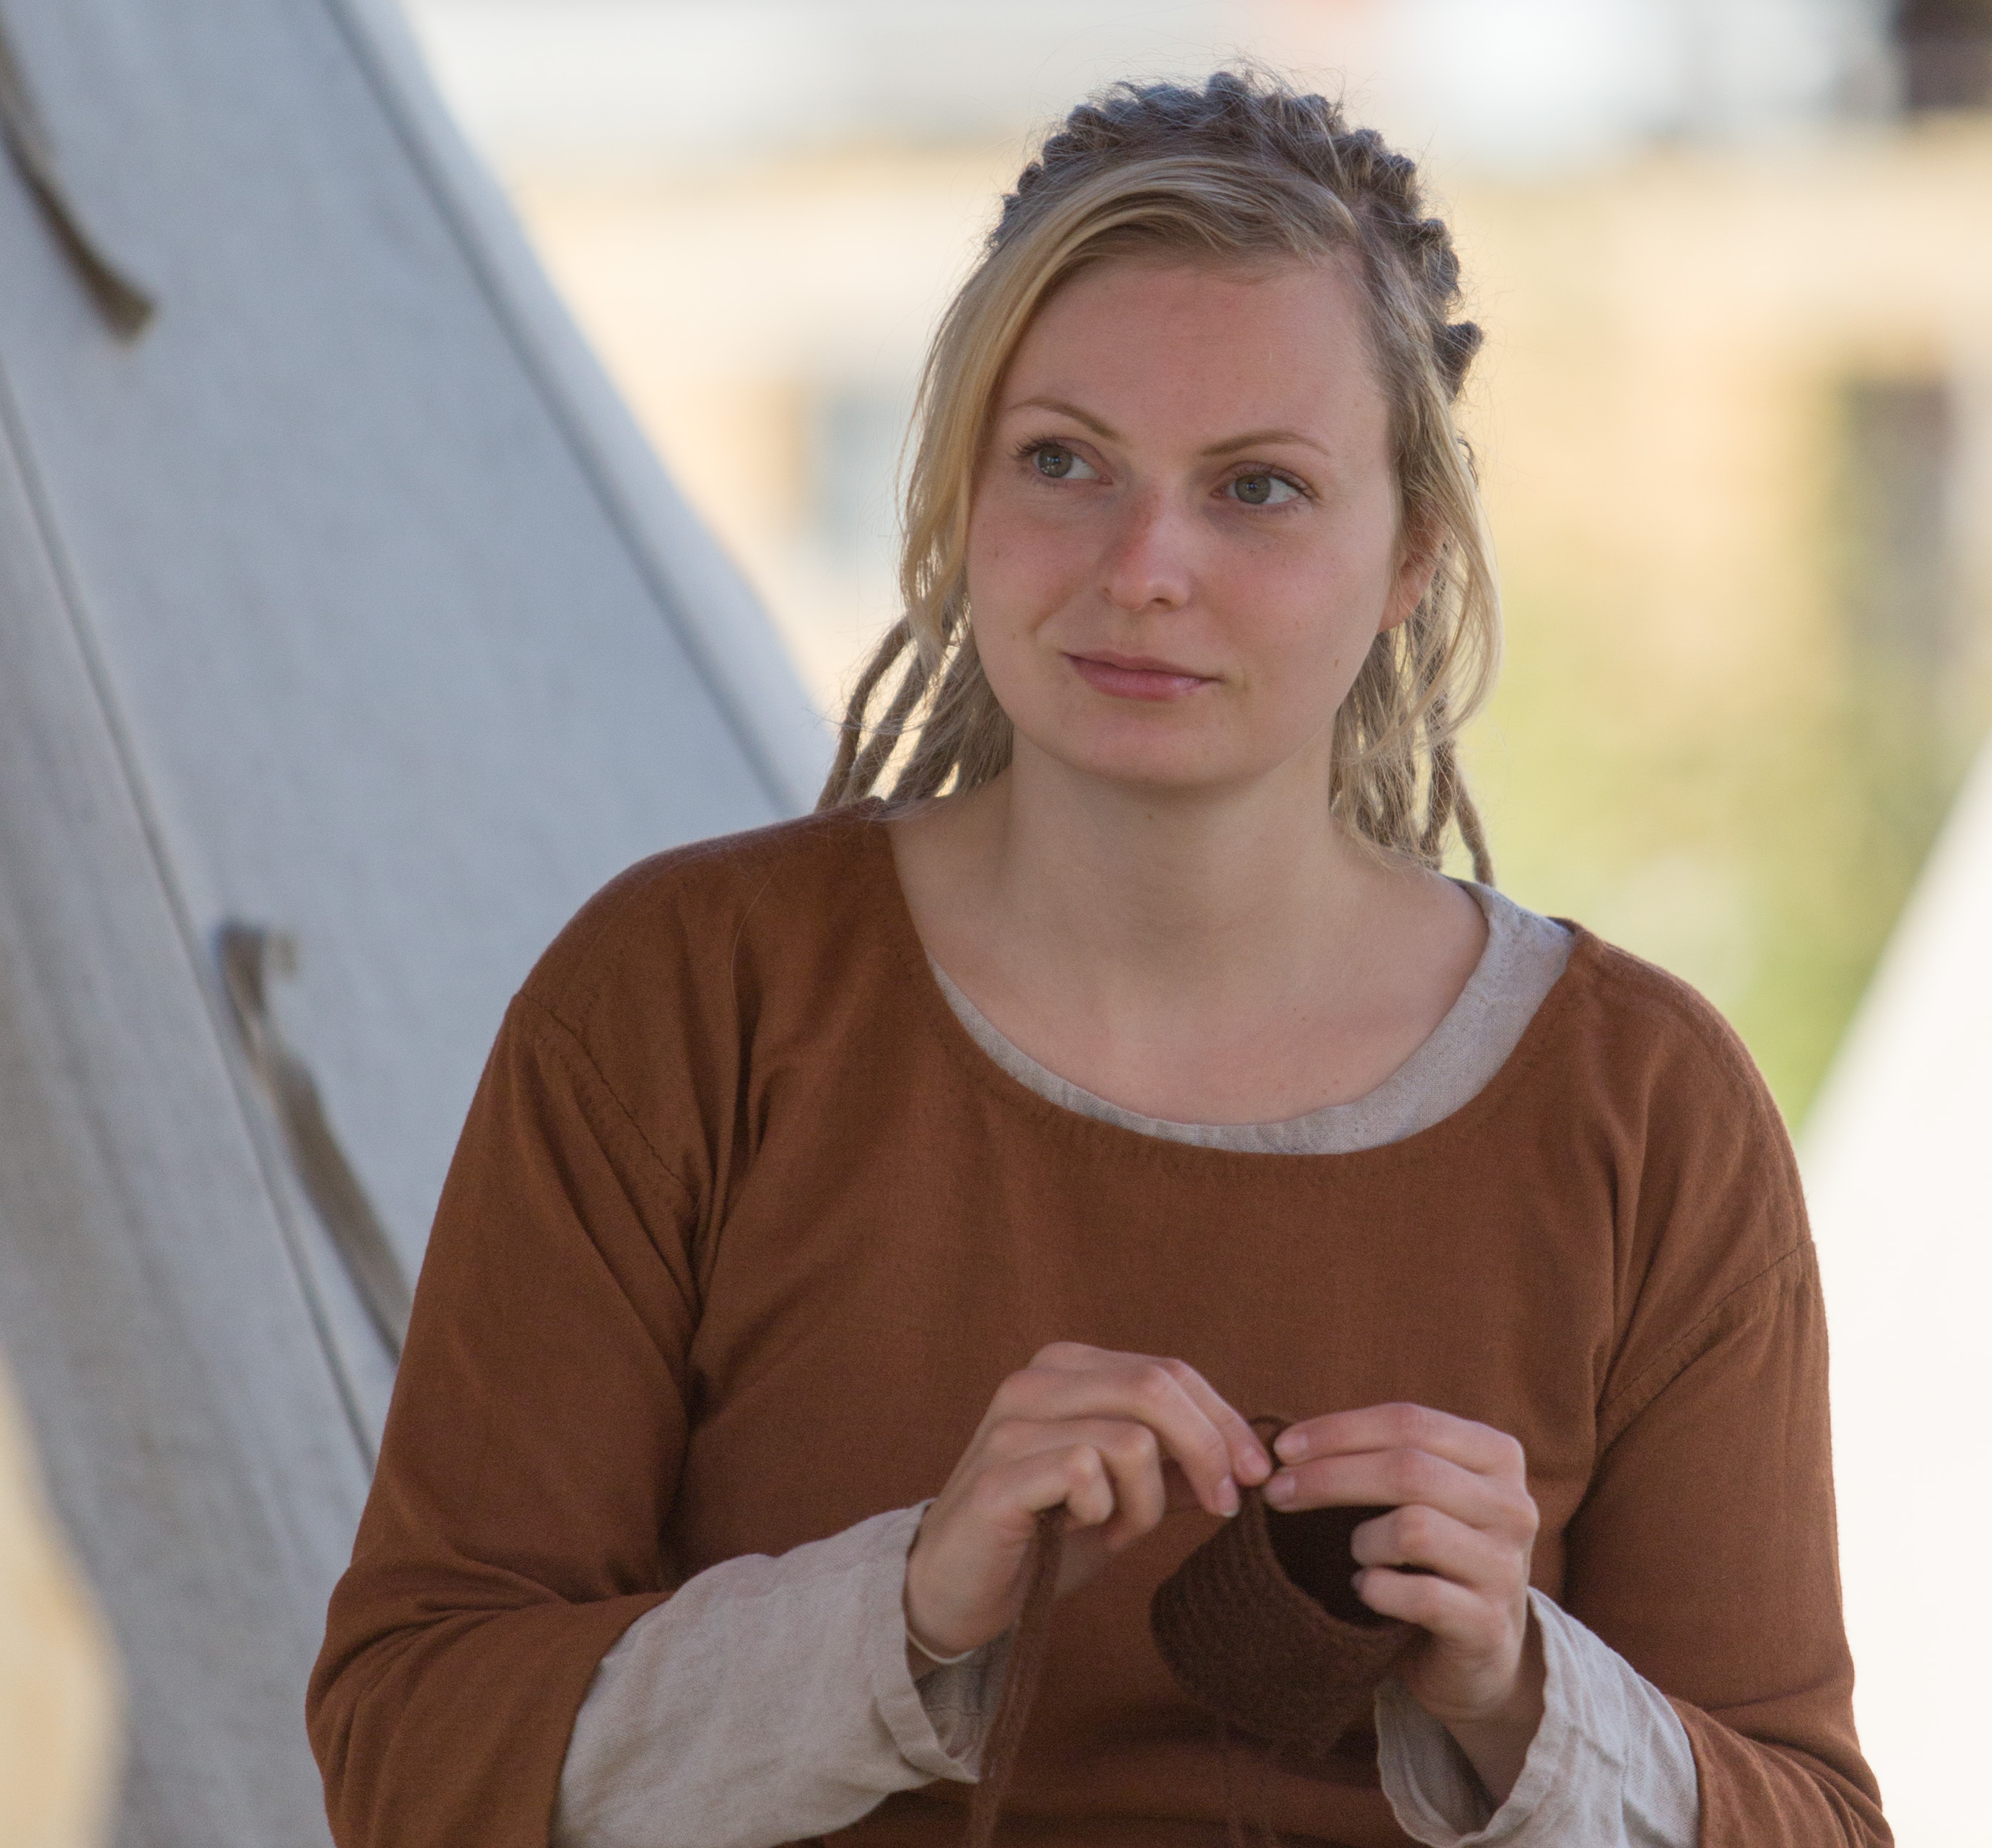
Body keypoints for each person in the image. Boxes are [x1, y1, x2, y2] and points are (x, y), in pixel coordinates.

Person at [307, 70, 1887, 1848]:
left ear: (1411, 558)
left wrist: (1524, 1693)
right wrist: (904, 1609)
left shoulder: (1640, 1105)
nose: (1144, 567)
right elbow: (412, 1750)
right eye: (1064, 460)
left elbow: (1816, 1821)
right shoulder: (684, 1001)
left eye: (1260, 488)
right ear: (959, 494)